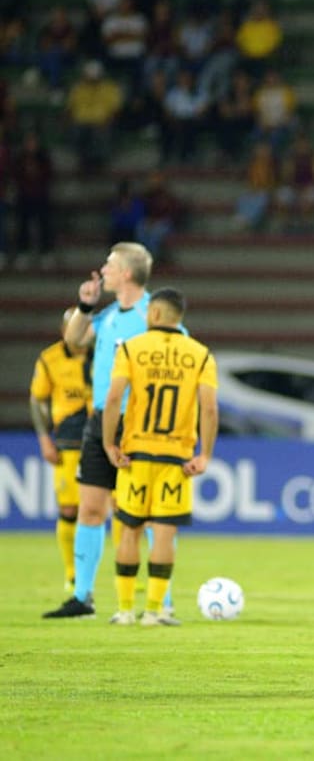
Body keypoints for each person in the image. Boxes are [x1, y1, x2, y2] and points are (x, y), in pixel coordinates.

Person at [44, 242, 158, 620]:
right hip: (100, 420)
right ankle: (82, 597)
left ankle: (161, 600)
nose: (103, 270)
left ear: (126, 273)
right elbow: (73, 341)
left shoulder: (152, 314)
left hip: (140, 422)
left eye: (109, 265)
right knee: (91, 509)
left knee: (143, 513)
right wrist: (85, 306)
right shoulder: (108, 316)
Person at [103, 288, 218, 625]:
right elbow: (209, 409)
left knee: (129, 531)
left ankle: (125, 610)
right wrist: (205, 455)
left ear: (153, 314)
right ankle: (154, 611)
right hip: (176, 458)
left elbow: (113, 400)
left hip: (136, 454)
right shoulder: (200, 355)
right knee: (164, 533)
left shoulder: (131, 349)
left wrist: (110, 445)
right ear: (178, 317)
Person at [30, 309, 92, 592]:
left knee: (118, 508)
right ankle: (72, 573)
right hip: (68, 442)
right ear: (64, 329)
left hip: (102, 439)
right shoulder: (50, 358)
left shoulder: (104, 354)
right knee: (69, 508)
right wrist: (44, 438)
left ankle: (126, 575)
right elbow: (37, 399)